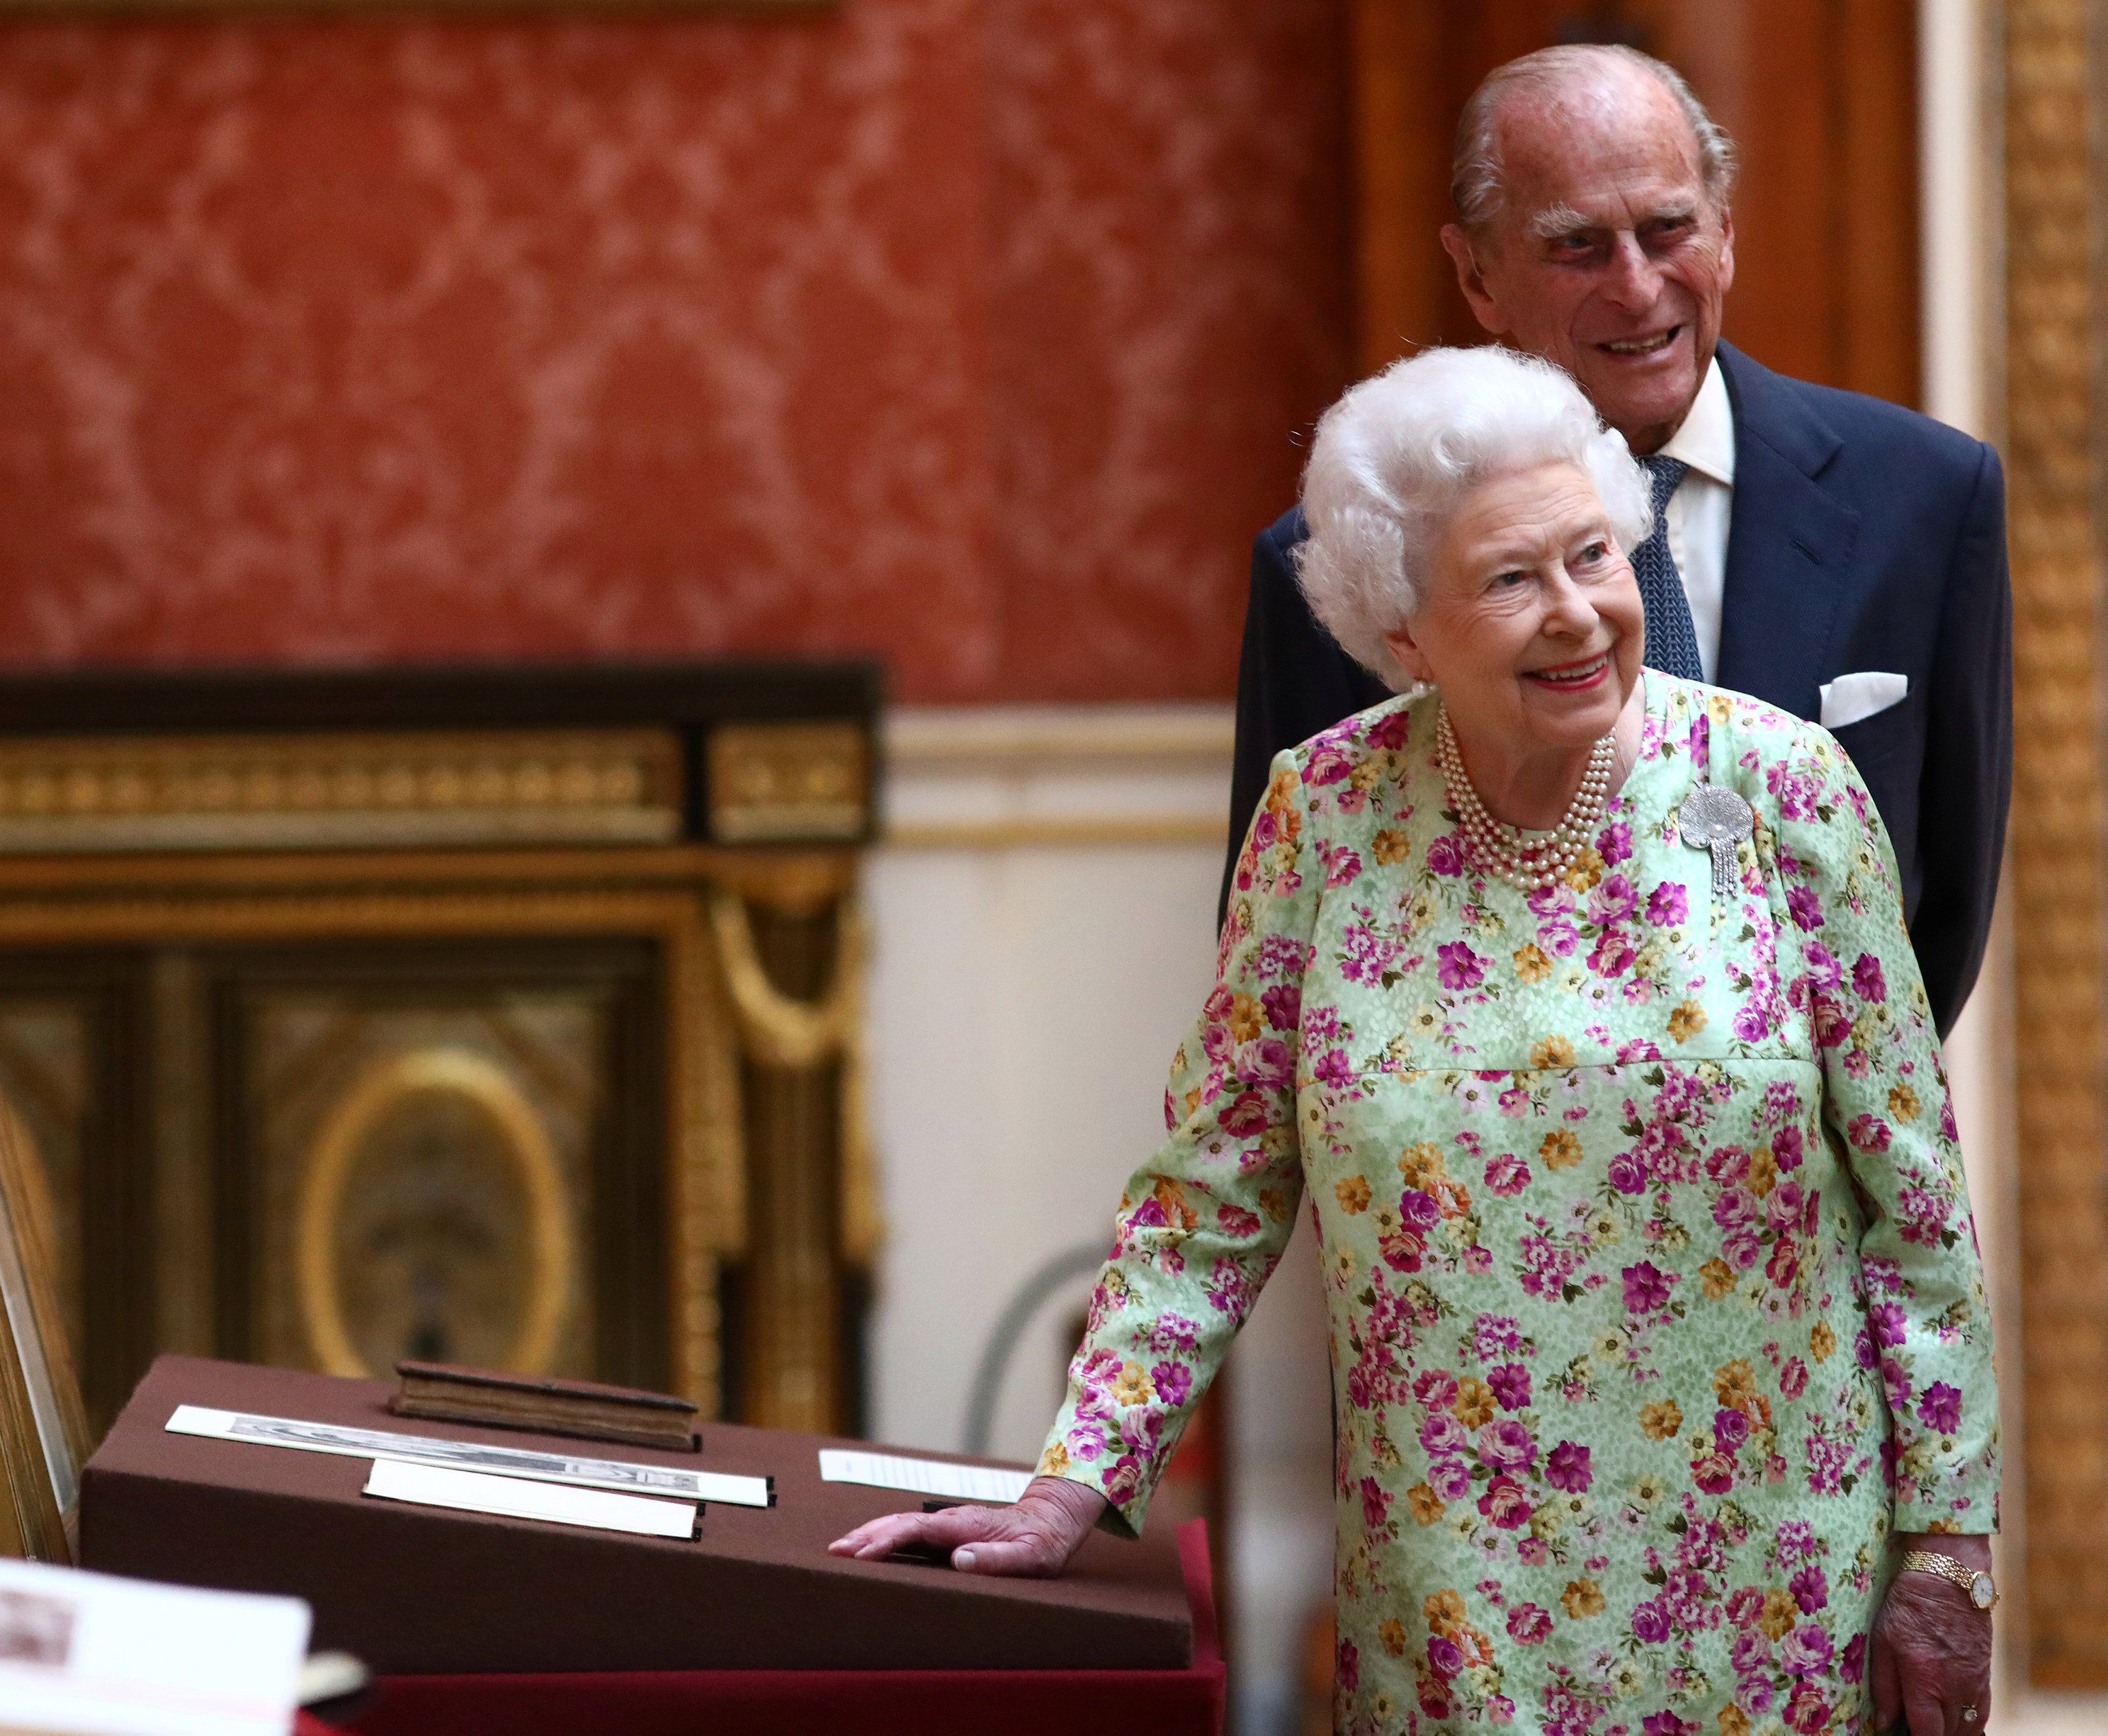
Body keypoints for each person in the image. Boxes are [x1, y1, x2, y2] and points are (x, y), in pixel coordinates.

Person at [834, 346, 2002, 1736]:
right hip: (1458, 1611)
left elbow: (1915, 1210)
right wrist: (1068, 1481)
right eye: (1512, 580)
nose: (1578, 615)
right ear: (1401, 634)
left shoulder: (1782, 789)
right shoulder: (1322, 816)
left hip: (1768, 1605)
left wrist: (1948, 1547)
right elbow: (1210, 1191)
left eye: (1592, 555)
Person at [1226, 45, 2010, 1039]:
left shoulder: (1929, 503)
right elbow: (1279, 961)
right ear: (1476, 274)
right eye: (1578, 247)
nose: (1639, 289)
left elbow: (1939, 921)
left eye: (1669, 229)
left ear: (1725, 232)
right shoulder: (1352, 560)